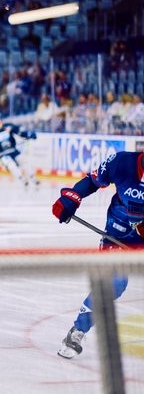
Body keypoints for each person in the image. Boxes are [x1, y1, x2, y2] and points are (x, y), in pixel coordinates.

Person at [52, 151, 140, 358]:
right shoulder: (122, 162)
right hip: (119, 236)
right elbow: (92, 180)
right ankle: (78, 331)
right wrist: (72, 198)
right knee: (114, 283)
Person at [0, 113, 39, 186]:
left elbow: (20, 133)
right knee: (12, 166)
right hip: (2, 154)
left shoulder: (9, 126)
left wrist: (29, 135)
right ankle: (23, 180)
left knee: (24, 162)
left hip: (13, 150)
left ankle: (33, 179)